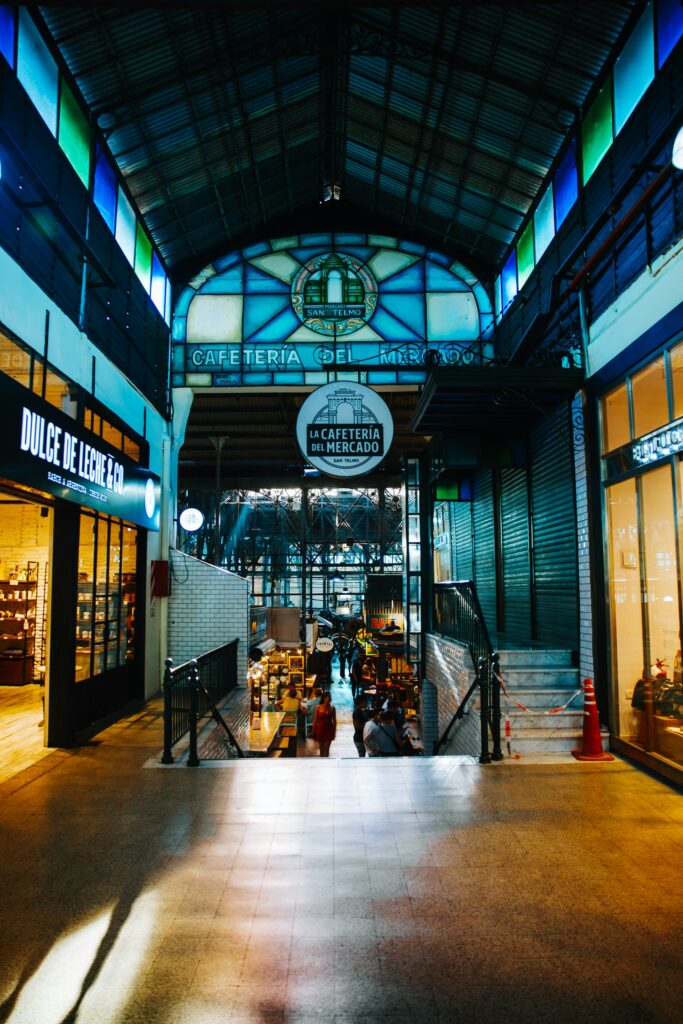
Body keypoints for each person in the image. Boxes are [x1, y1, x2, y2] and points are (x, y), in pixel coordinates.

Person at [311, 691, 336, 757]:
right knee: (321, 749)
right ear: (324, 698)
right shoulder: (318, 707)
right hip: (320, 730)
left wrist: (334, 731)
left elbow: (334, 721)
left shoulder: (332, 708)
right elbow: (315, 720)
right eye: (329, 697)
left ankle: (326, 761)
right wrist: (313, 731)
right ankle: (322, 761)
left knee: (327, 749)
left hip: (329, 729)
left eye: (330, 697)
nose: (330, 698)